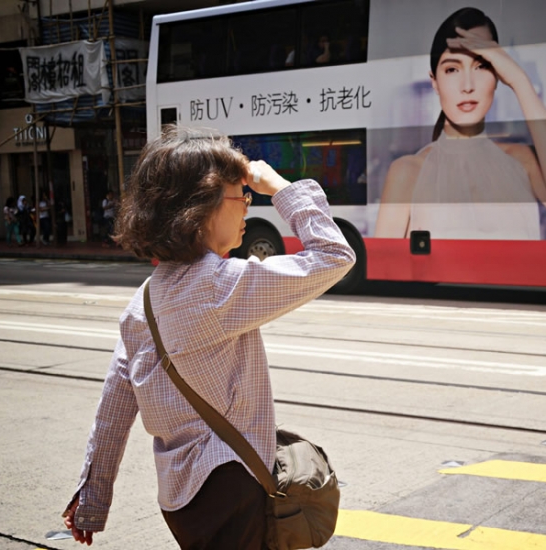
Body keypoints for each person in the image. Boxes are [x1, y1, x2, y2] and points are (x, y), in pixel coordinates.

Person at [62, 126, 355, 548]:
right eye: (243, 196)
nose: (248, 209)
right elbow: (334, 255)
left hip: (180, 500)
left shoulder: (143, 301)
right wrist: (280, 188)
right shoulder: (219, 285)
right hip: (232, 486)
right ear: (203, 208)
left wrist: (93, 497)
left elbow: (114, 407)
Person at [374, 7, 546, 239]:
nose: (467, 85)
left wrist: (520, 81)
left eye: (482, 65)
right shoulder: (408, 172)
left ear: (498, 73)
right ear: (435, 82)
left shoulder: (522, 161)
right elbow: (383, 271)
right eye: (452, 69)